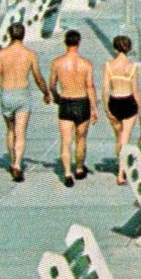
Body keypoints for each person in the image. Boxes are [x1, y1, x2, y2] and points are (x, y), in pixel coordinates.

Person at [0, 20, 50, 183]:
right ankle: (17, 165)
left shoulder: (2, 54)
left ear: (9, 35)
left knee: (10, 131)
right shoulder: (30, 55)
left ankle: (12, 161)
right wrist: (46, 93)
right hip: (22, 95)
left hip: (6, 94)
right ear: (24, 35)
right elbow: (38, 78)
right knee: (20, 133)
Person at [50, 29, 96, 188]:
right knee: (81, 139)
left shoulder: (57, 63)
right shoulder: (86, 64)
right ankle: (78, 168)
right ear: (79, 42)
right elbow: (90, 86)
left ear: (65, 42)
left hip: (66, 101)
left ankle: (67, 173)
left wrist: (56, 97)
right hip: (82, 102)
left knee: (66, 141)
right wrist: (94, 108)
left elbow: (52, 85)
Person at [102, 35, 141, 185]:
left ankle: (120, 164)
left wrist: (106, 109)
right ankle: (121, 172)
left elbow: (105, 89)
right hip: (128, 101)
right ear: (129, 48)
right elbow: (136, 91)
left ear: (114, 48)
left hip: (114, 100)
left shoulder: (108, 66)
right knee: (125, 137)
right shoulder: (132, 67)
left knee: (118, 136)